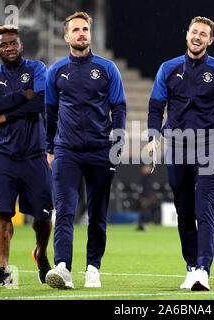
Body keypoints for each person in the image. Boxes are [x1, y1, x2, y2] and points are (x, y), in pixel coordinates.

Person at [147, 16, 214, 291]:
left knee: (204, 209)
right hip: (176, 146)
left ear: (210, 40)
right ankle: (190, 268)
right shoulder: (168, 68)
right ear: (187, 35)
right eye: (194, 32)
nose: (197, 37)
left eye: (203, 34)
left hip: (210, 147)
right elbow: (155, 108)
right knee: (184, 212)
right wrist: (153, 137)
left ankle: (203, 270)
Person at [44, 12, 126, 289]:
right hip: (66, 150)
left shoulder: (107, 69)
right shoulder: (55, 71)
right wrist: (49, 149)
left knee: (98, 213)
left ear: (90, 34)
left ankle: (93, 268)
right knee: (64, 210)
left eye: (85, 29)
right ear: (66, 36)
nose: (81, 33)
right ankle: (63, 267)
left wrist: (118, 144)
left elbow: (119, 108)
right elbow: (50, 113)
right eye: (76, 30)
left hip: (101, 151)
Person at [0, 25, 53, 286]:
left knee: (43, 217)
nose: (9, 48)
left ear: (21, 45)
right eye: (4, 45)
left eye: (13, 43)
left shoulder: (37, 69)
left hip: (34, 154)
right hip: (4, 155)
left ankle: (41, 254)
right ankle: (3, 270)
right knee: (2, 213)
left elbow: (42, 101)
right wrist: (23, 94)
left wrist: (8, 113)